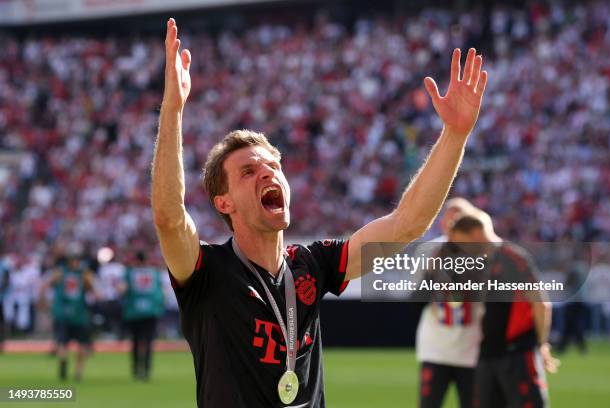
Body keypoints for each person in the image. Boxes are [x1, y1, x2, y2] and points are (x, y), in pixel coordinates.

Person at [151, 17, 487, 407]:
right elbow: (169, 218)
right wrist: (173, 109)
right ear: (223, 202)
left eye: (273, 166)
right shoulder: (206, 271)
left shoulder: (312, 263)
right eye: (248, 171)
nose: (267, 174)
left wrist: (455, 135)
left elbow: (407, 224)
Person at [447, 215, 559, 408]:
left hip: (517, 354)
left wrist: (542, 343)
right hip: (486, 355)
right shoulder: (476, 264)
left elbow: (540, 303)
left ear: (475, 234)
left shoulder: (512, 257)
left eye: (461, 242)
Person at [415, 198, 485, 408]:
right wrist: (431, 274)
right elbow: (414, 300)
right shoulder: (429, 251)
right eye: (450, 215)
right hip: (436, 347)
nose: (454, 221)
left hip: (472, 347)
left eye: (460, 216)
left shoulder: (485, 252)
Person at [39, 247, 96, 381]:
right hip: (76, 314)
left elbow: (44, 287)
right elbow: (91, 290)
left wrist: (44, 302)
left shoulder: (60, 273)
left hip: (65, 313)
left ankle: (70, 367)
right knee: (78, 343)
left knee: (65, 343)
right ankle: (76, 370)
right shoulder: (82, 274)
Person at [118, 250, 165, 381]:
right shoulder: (154, 273)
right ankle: (147, 369)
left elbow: (122, 289)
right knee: (149, 341)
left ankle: (136, 368)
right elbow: (162, 293)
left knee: (136, 341)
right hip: (151, 311)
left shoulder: (130, 273)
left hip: (134, 311)